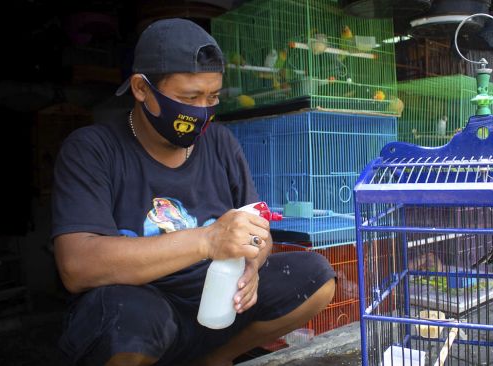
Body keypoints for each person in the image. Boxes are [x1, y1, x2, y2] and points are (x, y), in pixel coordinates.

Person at [52, 18, 336, 366]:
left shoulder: (220, 143)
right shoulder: (93, 149)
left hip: (215, 300)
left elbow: (256, 231)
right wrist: (205, 241)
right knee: (130, 317)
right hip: (143, 305)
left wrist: (253, 265)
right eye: (189, 97)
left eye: (212, 96)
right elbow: (76, 266)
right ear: (141, 89)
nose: (202, 111)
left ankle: (215, 359)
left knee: (315, 275)